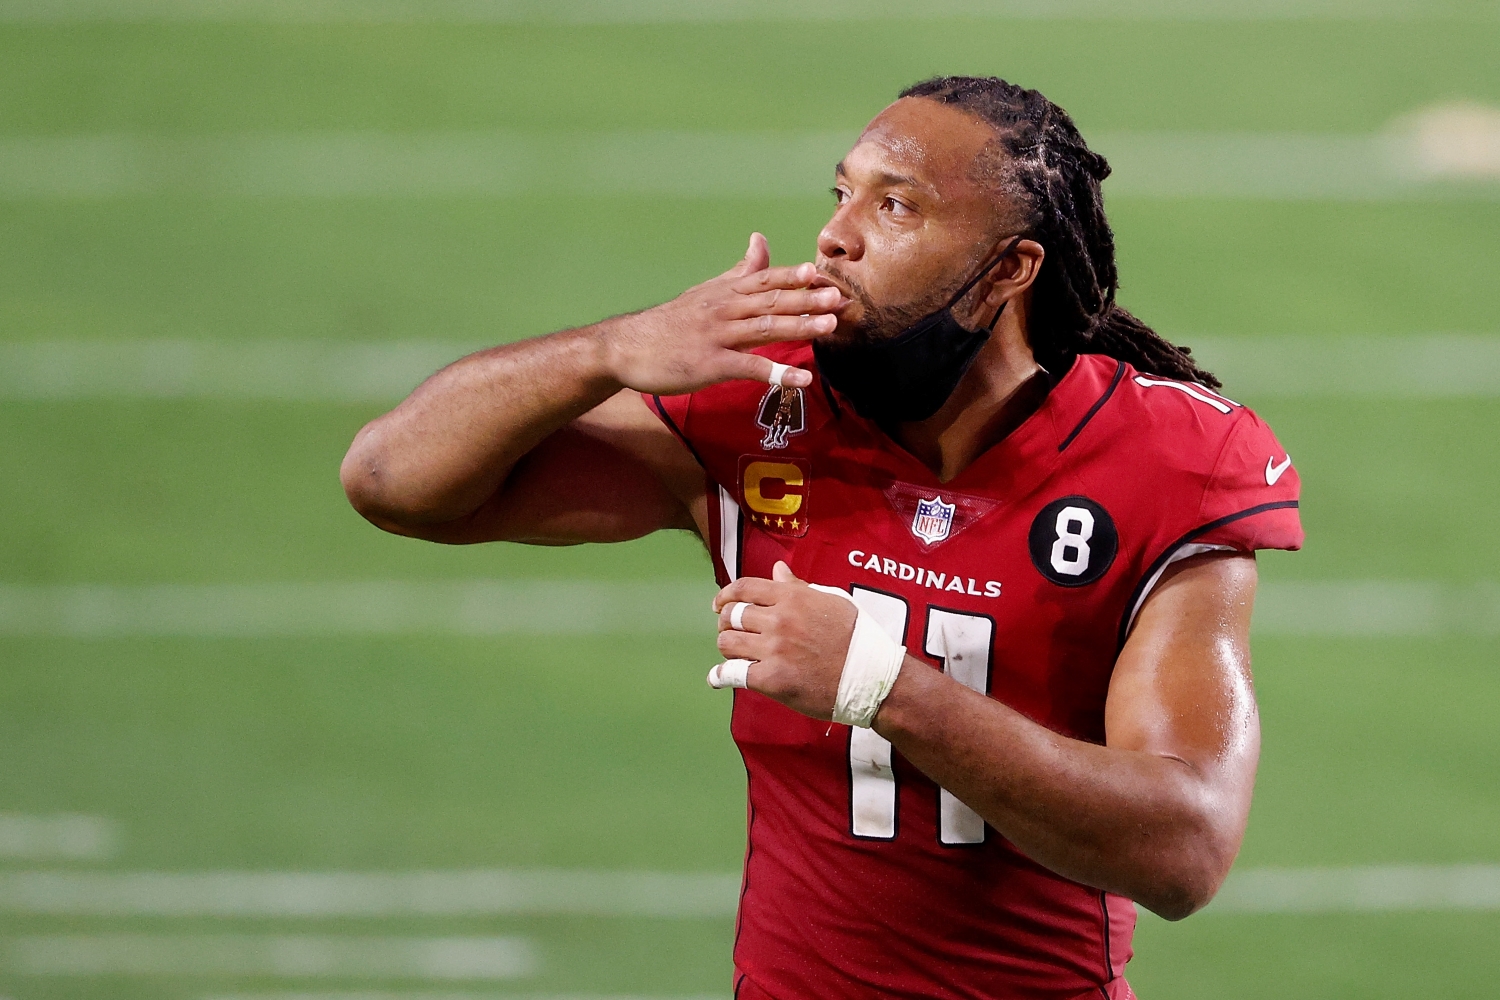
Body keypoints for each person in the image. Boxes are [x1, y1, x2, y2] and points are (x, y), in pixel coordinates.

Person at [340, 75, 1301, 1000]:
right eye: (841, 193)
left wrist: (882, 687)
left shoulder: (1176, 457)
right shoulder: (764, 398)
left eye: (896, 207)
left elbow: (1186, 849)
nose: (834, 237)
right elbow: (392, 482)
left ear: (1009, 269)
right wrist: (604, 351)